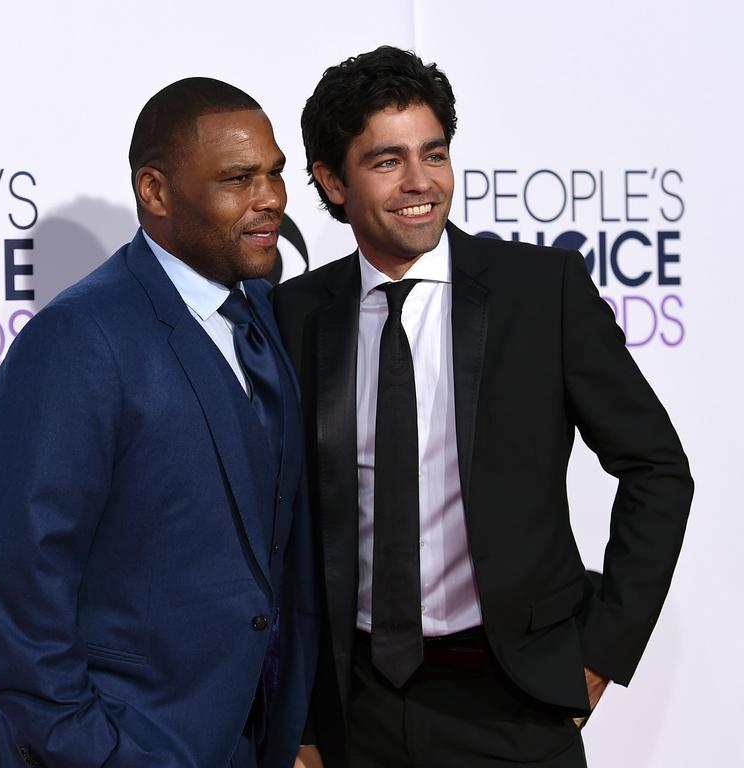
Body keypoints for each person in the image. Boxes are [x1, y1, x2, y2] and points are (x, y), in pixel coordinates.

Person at [273, 47, 692, 768]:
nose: (421, 183)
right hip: (353, 710)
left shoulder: (541, 291)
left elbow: (657, 469)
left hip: (517, 705)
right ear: (331, 181)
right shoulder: (294, 315)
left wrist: (599, 653)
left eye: (433, 154)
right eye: (386, 162)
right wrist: (298, 716)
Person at [0, 77, 318, 768]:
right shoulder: (79, 337)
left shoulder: (268, 315)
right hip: (120, 744)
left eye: (275, 173)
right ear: (155, 192)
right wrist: (93, 750)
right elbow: (20, 581)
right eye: (238, 178)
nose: (272, 197)